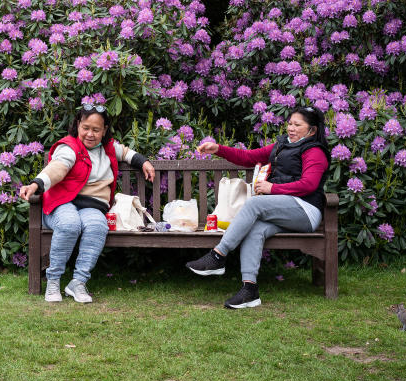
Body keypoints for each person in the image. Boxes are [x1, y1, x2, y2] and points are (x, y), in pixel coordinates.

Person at [186, 105, 330, 309]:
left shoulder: (314, 151)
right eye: (289, 123)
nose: (291, 128)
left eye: (297, 125)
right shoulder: (281, 145)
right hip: (285, 210)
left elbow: (309, 184)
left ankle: (218, 256)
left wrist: (273, 187)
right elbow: (248, 157)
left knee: (254, 203)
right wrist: (218, 149)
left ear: (312, 130)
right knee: (255, 230)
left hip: (305, 210)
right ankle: (249, 290)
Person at [19, 104, 155, 303]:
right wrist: (36, 184)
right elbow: (57, 167)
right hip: (62, 203)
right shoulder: (69, 147)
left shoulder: (108, 148)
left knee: (97, 226)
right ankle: (54, 280)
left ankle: (78, 282)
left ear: (104, 130)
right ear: (78, 125)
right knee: (69, 224)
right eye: (86, 128)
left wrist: (143, 162)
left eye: (96, 129)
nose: (90, 134)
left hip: (91, 206)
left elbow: (125, 153)